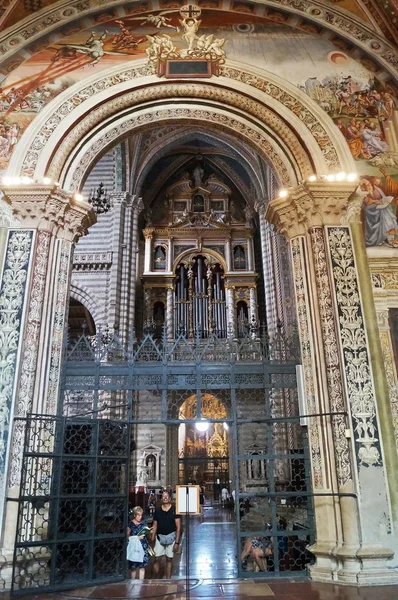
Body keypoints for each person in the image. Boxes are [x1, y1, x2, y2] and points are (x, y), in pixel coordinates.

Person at [150, 490, 182, 579]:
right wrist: (152, 539)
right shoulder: (157, 510)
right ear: (161, 498)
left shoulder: (175, 510)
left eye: (166, 496)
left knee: (169, 559)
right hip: (160, 537)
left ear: (170, 498)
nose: (165, 498)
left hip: (171, 537)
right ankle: (155, 579)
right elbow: (155, 525)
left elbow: (178, 527)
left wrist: (177, 543)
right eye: (163, 496)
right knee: (156, 559)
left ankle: (168, 580)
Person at [127, 506, 151, 579]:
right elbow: (127, 536)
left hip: (143, 545)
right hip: (134, 546)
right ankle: (132, 582)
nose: (140, 517)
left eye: (141, 515)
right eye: (138, 515)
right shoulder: (130, 524)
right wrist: (136, 538)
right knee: (133, 567)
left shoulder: (144, 523)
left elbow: (146, 531)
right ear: (134, 515)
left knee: (142, 566)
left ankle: (141, 583)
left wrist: (149, 532)